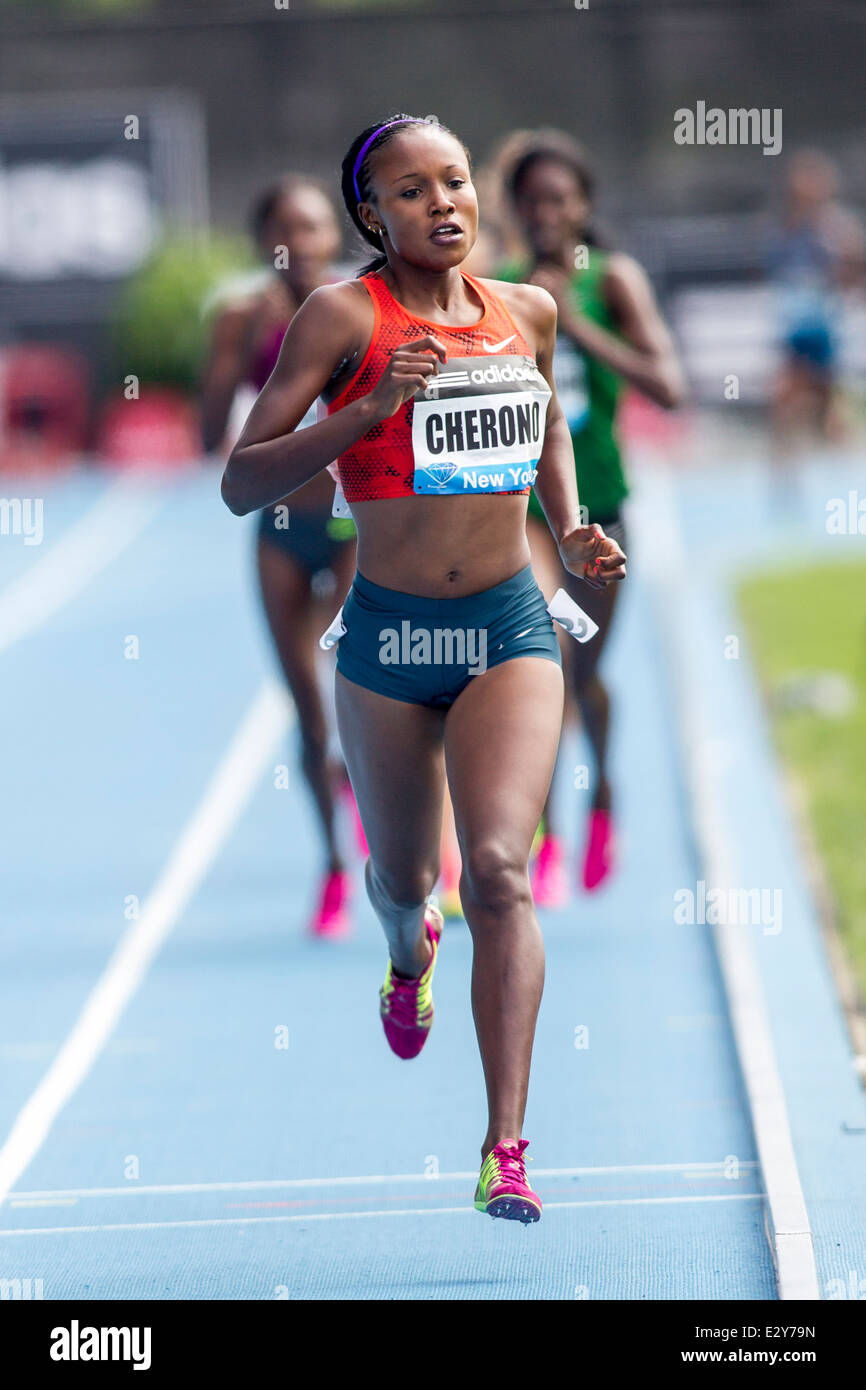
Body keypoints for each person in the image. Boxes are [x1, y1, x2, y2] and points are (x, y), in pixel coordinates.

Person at [221, 113, 626, 1223]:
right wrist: (366, 409)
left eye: (452, 181)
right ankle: (407, 956)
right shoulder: (340, 316)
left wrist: (573, 523)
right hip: (390, 639)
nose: (440, 203)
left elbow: (543, 424)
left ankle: (504, 1146)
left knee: (495, 869)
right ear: (370, 215)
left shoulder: (526, 312)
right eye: (408, 191)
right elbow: (241, 481)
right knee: (408, 886)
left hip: (505, 625)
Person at [497, 131, 684, 901]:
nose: (547, 212)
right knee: (537, 668)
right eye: (532, 200)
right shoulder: (499, 287)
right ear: (515, 209)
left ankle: (603, 791)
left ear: (584, 205)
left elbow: (668, 385)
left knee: (586, 675)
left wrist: (576, 326)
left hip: (600, 510)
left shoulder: (612, 280)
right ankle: (542, 831)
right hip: (529, 513)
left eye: (560, 198)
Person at [202, 175, 363, 939]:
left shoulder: (355, 306)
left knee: (364, 688)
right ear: (261, 242)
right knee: (307, 710)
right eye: (283, 230)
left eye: (312, 228)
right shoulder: (245, 318)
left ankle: (385, 810)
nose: (298, 243)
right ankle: (331, 863)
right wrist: (227, 354)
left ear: (335, 236)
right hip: (278, 526)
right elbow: (209, 442)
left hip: (355, 524)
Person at [766, 149, 865, 486]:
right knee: (784, 407)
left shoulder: (836, 228)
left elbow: (854, 272)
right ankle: (786, 490)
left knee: (832, 414)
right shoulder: (786, 227)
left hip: (824, 331)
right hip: (796, 331)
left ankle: (852, 484)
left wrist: (842, 274)